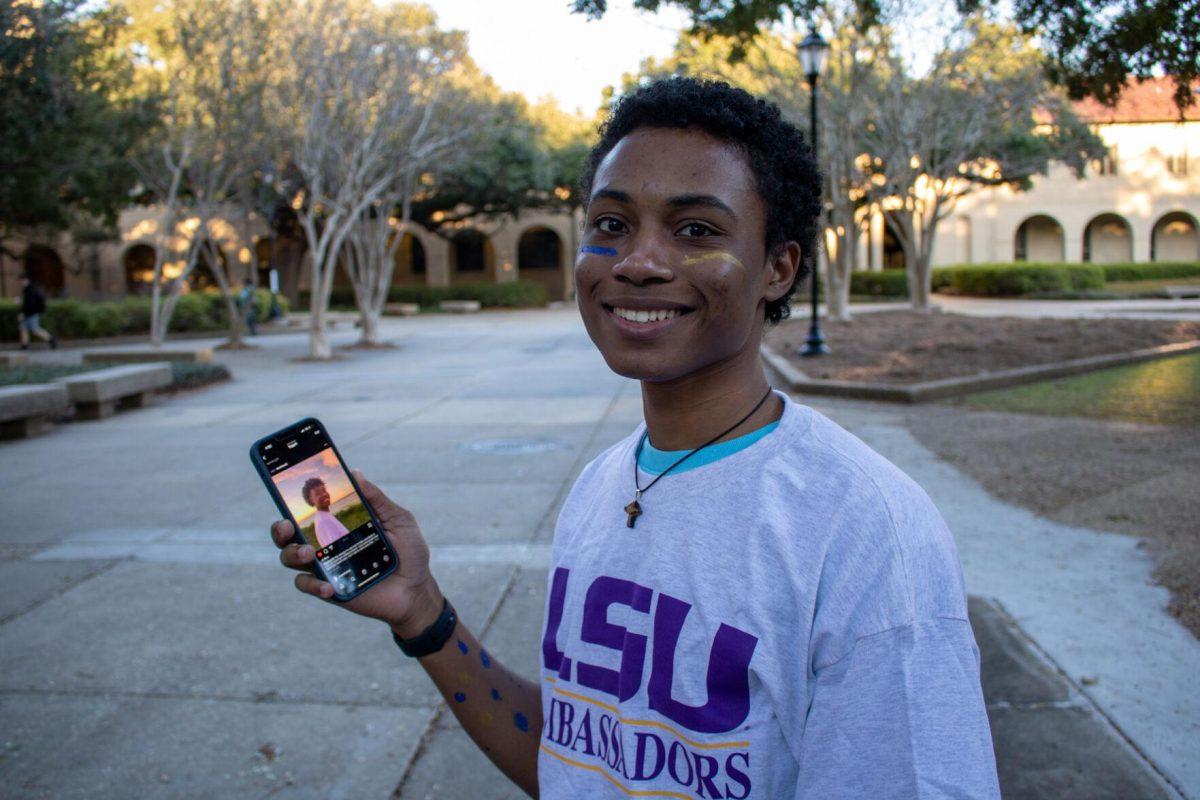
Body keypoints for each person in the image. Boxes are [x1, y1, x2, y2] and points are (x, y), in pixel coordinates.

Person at [269, 77, 1000, 799]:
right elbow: (580, 761)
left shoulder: (866, 531)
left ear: (779, 268)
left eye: (696, 230)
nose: (637, 262)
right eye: (611, 224)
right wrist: (421, 610)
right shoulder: (599, 488)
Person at [301, 477, 348, 548]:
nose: (324, 494)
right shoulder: (324, 520)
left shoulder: (323, 516)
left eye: (324, 490)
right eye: (317, 493)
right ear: (311, 500)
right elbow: (341, 550)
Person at [15, 273, 58, 350]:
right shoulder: (28, 289)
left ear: (26, 280)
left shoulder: (29, 290)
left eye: (21, 280)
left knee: (35, 329)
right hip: (30, 313)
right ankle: (24, 345)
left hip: (31, 313)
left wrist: (23, 313)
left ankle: (51, 339)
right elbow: (27, 303)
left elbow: (30, 304)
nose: (20, 283)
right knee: (23, 328)